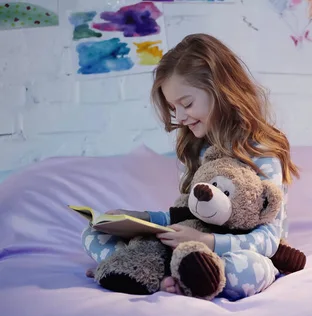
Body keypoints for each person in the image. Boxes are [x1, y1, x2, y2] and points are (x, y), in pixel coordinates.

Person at [81, 33, 300, 301]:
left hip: (240, 250)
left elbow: (269, 238)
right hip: (190, 244)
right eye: (174, 108)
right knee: (93, 234)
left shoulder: (262, 150)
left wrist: (211, 243)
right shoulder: (193, 148)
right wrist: (140, 219)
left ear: (221, 90)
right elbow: (187, 213)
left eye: (186, 104)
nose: (181, 117)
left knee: (252, 272)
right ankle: (144, 272)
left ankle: (168, 276)